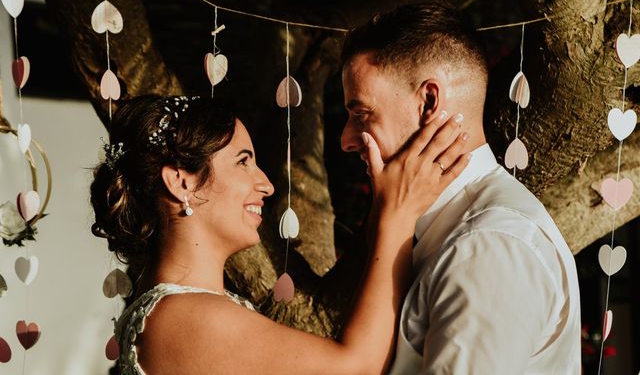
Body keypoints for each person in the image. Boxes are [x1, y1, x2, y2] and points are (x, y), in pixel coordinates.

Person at [91, 94, 469, 374]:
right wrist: (396, 214)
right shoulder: (188, 317)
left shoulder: (183, 309)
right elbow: (356, 368)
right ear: (182, 180)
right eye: (244, 161)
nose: (267, 185)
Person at [339, 1, 582, 374]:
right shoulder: (448, 231)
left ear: (428, 102)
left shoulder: (488, 245)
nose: (347, 140)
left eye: (361, 115)